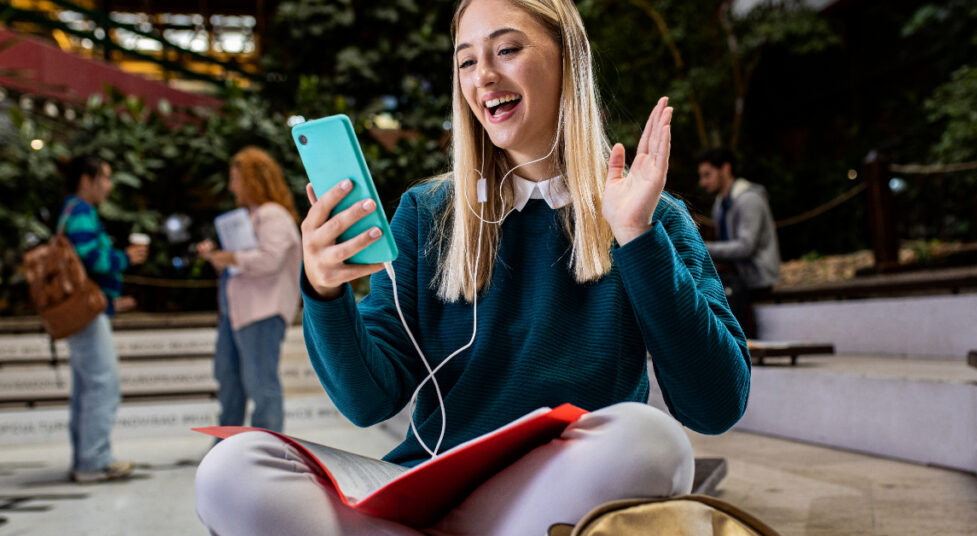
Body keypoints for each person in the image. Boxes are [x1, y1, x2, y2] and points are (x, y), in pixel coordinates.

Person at [195, 0, 750, 534]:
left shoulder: (649, 214)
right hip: (428, 482)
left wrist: (636, 237)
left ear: (567, 61)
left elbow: (715, 406)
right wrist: (322, 291)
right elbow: (368, 401)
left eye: (506, 50)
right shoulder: (426, 212)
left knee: (654, 443)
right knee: (233, 469)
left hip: (552, 486)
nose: (483, 75)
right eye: (466, 60)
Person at [196, 147, 302, 434]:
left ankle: (267, 452)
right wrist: (221, 257)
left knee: (261, 385)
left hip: (262, 313)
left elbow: (269, 260)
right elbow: (246, 264)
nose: (231, 186)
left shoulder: (273, 215)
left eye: (235, 179)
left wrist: (229, 258)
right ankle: (228, 447)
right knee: (231, 382)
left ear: (252, 180)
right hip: (240, 313)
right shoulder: (253, 216)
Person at [59, 155, 148, 483]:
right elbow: (91, 260)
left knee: (87, 387)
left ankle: (85, 457)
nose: (109, 186)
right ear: (87, 179)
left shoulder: (70, 209)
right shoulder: (81, 211)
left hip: (82, 310)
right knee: (102, 385)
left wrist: (112, 300)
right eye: (105, 177)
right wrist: (127, 256)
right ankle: (94, 461)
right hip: (86, 313)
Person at [697, 147, 780, 339]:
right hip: (736, 273)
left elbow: (745, 247)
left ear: (726, 169)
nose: (703, 182)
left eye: (707, 175)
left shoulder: (748, 199)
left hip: (756, 275)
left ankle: (741, 342)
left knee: (725, 288)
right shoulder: (720, 204)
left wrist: (703, 247)